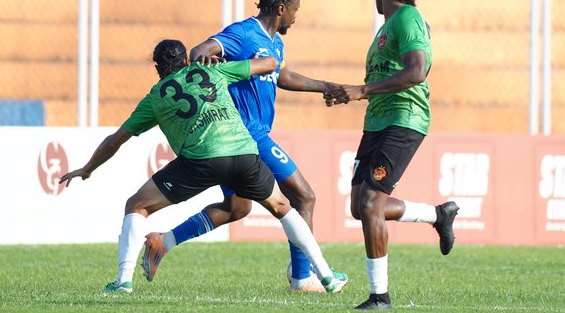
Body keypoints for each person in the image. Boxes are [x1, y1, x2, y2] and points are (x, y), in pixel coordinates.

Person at [59, 39, 348, 295]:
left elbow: (115, 140)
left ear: (157, 67)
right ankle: (326, 276)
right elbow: (270, 63)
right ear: (186, 60)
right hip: (244, 152)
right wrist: (225, 61)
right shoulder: (213, 71)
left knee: (137, 205)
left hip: (201, 161)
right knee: (284, 207)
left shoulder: (155, 97)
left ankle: (123, 281)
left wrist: (87, 168)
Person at [144, 0, 345, 292]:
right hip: (248, 134)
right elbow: (200, 50)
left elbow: (282, 75)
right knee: (304, 195)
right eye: (295, 10)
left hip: (247, 137)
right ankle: (302, 278)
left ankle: (163, 242)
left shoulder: (274, 42)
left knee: (237, 209)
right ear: (282, 8)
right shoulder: (243, 33)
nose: (296, 16)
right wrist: (205, 57)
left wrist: (324, 86)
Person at [325, 0, 459, 311]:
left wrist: (363, 91)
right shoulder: (387, 28)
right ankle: (437, 215)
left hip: (404, 118)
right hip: (377, 122)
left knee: (371, 204)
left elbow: (416, 72)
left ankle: (379, 297)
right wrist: (353, 92)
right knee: (360, 207)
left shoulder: (408, 20)